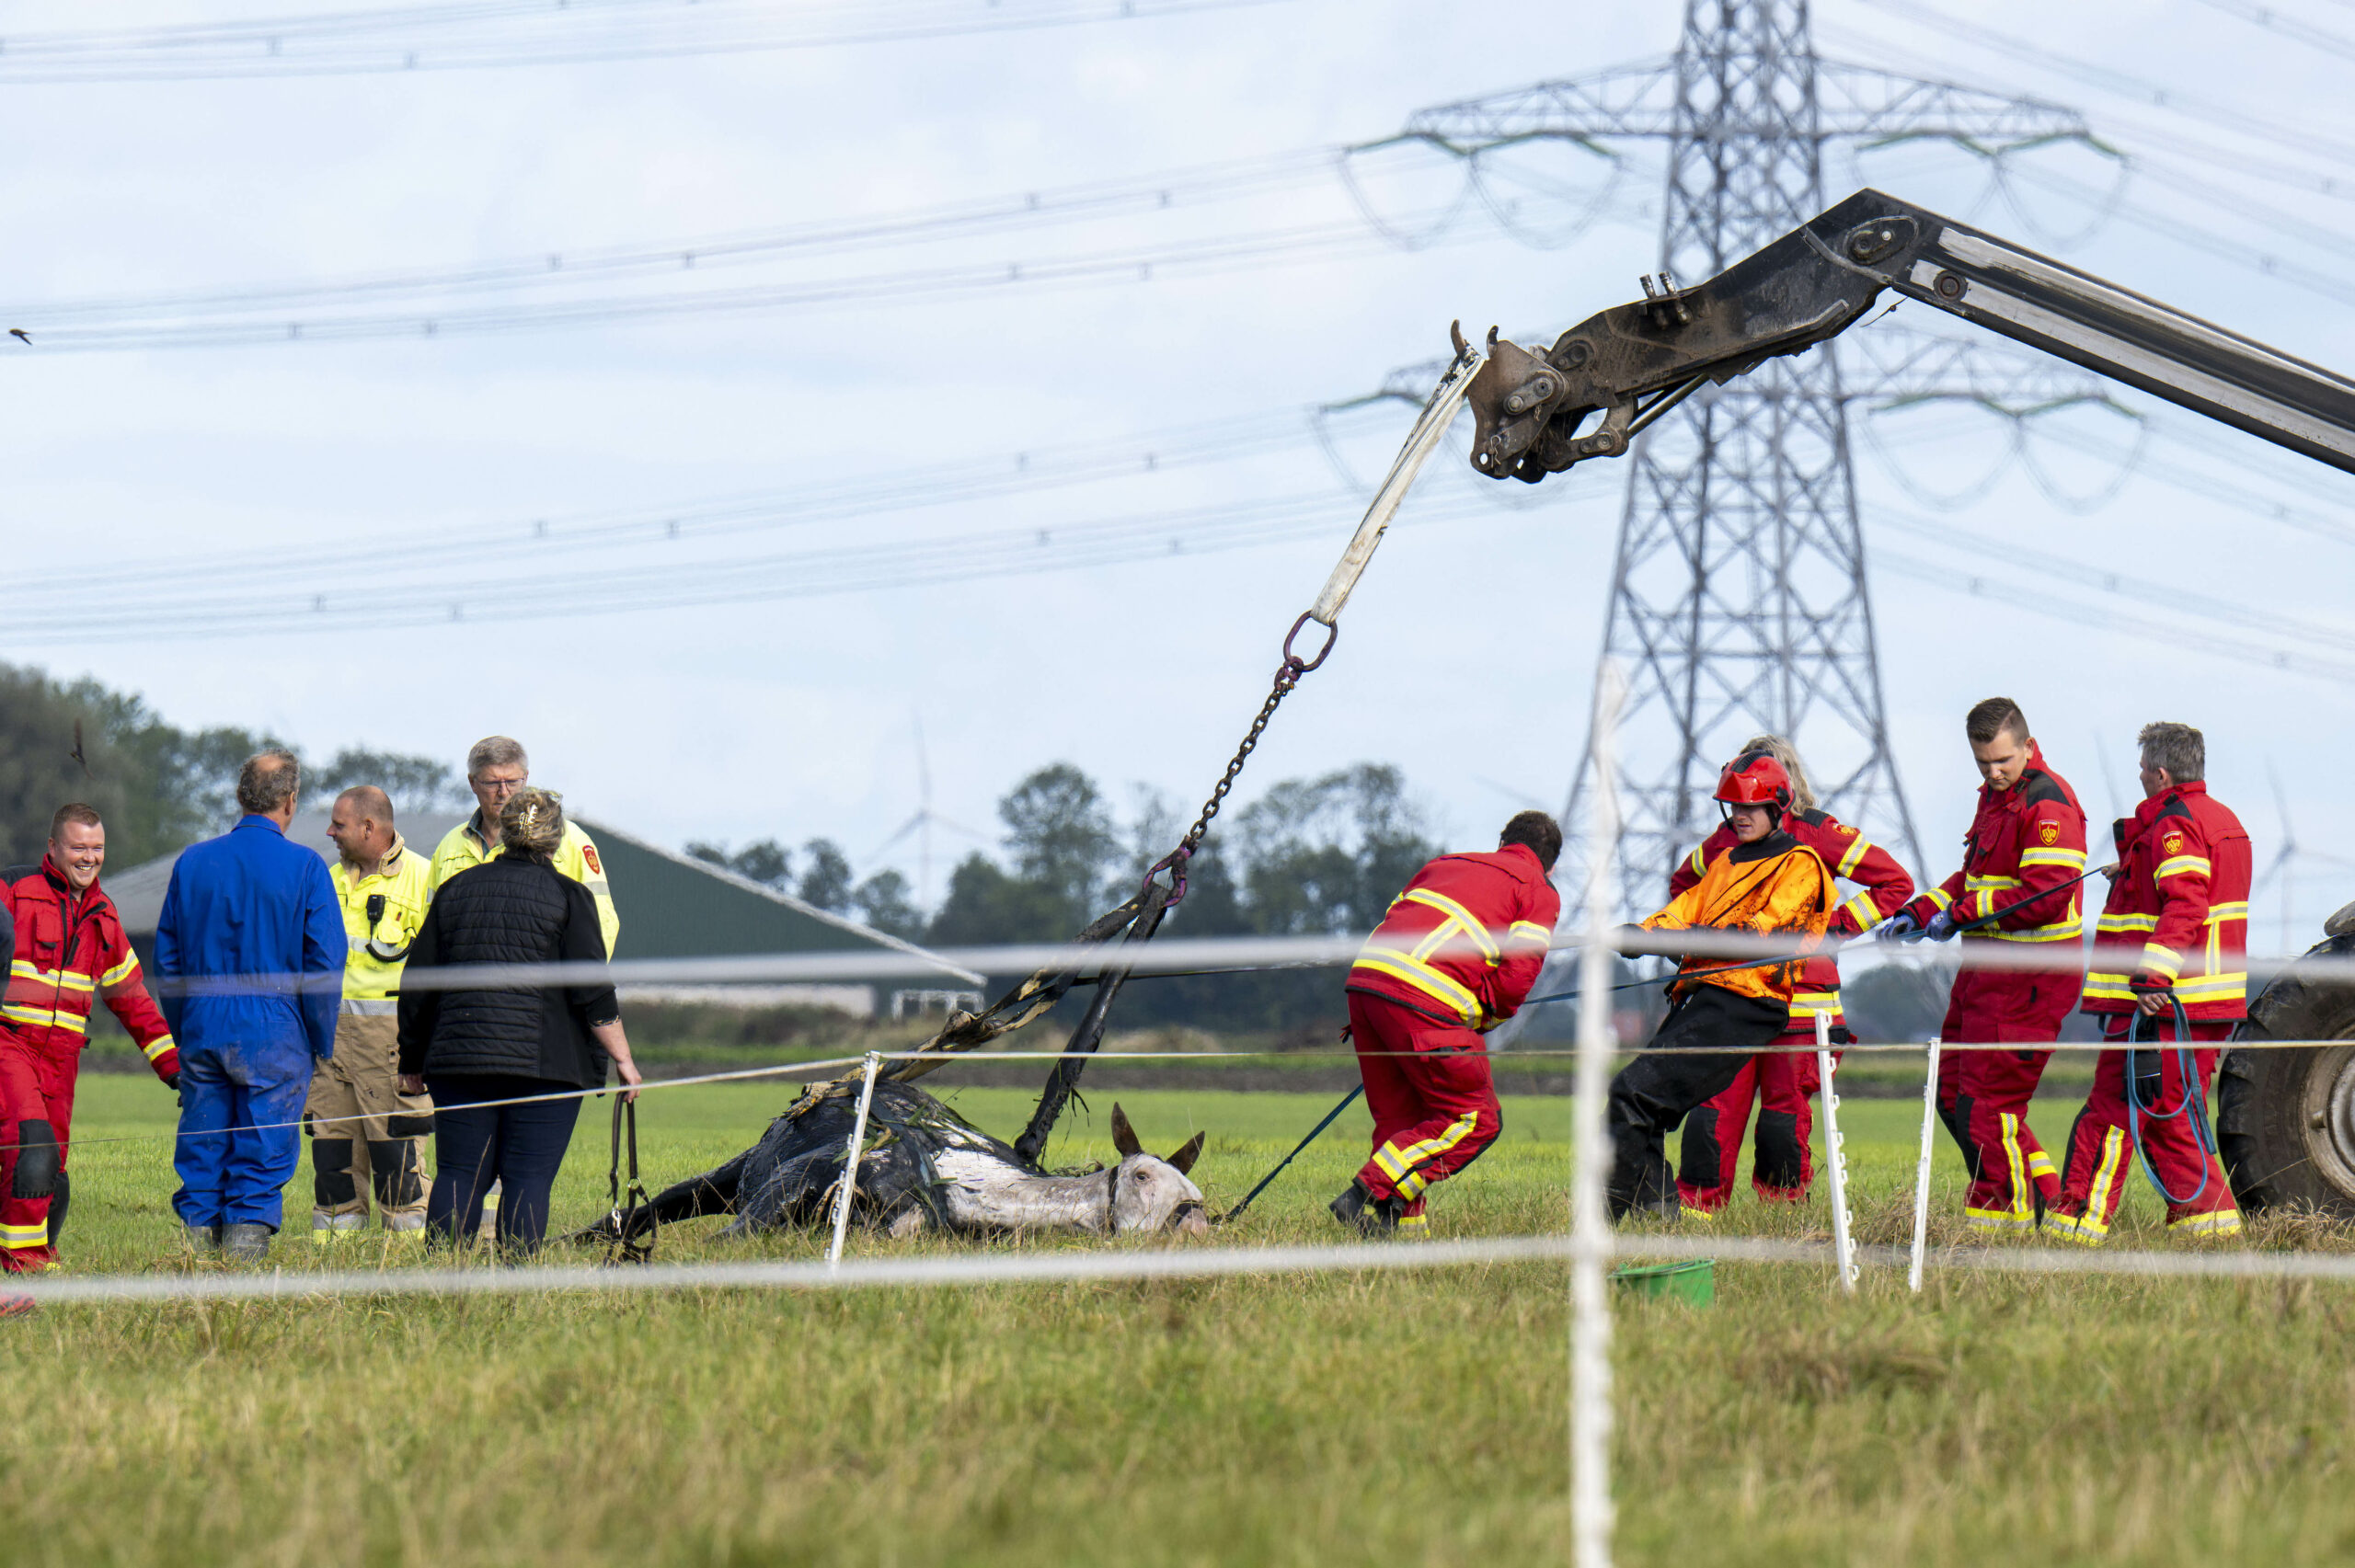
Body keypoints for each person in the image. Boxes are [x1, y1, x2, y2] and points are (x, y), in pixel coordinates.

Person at [1666, 738, 1915, 1214]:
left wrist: (1832, 927)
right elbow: (1683, 886)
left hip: (1801, 1006)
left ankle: (1782, 1218)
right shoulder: (1724, 841)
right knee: (1711, 1113)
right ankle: (1696, 1212)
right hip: (1731, 999)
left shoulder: (1820, 834)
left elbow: (1894, 883)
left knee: (1783, 1121)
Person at [398, 787, 642, 1254]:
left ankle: (439, 1274)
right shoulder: (571, 897)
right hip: (545, 1065)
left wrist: (412, 1057)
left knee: (459, 1173)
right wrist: (623, 1060)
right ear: (556, 841)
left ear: (504, 834)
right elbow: (591, 988)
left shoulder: (455, 890)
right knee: (527, 1176)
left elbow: (419, 984)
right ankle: (516, 1280)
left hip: (459, 1060)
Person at [1879, 697, 2089, 1231]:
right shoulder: (1997, 800)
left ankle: (2004, 1224)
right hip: (1985, 972)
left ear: (2027, 745)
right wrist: (1919, 911)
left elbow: (2042, 896)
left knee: (1986, 1104)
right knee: (1953, 1093)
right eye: (1982, 764)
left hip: (2030, 977)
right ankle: (2042, 1197)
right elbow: (1973, 876)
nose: (1993, 773)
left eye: (2003, 761)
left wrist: (1960, 914)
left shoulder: (2049, 803)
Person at [1608, 753, 1834, 1222]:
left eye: (1751, 806)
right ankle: (1659, 1214)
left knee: (1633, 1096)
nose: (1740, 816)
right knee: (1635, 1100)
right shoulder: (1727, 861)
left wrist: (1683, 940)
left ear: (1778, 807)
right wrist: (1643, 934)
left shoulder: (1802, 865)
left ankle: (1604, 1219)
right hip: (1706, 997)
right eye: (1733, 806)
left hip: (1747, 1004)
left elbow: (1760, 933)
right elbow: (1688, 908)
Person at [2049, 723, 2248, 1243]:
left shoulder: (2173, 825)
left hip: (2162, 1004)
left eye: (2142, 769)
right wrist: (2134, 870)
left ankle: (2077, 1224)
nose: (2138, 777)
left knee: (2118, 1108)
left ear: (2159, 773)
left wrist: (2154, 975)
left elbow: (2186, 902)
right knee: (2169, 1112)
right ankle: (2210, 1229)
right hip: (2202, 1005)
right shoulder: (2223, 821)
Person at [1332, 810, 1562, 1236]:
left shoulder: (1444, 864)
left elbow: (1396, 918)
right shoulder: (1539, 889)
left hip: (1365, 988)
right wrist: (1483, 1018)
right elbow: (1517, 976)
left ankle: (1399, 1229)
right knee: (1474, 1118)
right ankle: (1363, 1194)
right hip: (1425, 999)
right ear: (1550, 864)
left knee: (1401, 1119)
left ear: (1502, 841)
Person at [156, 751, 346, 1263]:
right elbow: (325, 965)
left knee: (204, 1135)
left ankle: (195, 1251)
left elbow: (168, 961)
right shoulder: (307, 867)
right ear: (291, 800)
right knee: (263, 1143)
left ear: (241, 798)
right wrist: (319, 1040)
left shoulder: (192, 862)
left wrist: (183, 1032)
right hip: (276, 1026)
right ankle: (245, 1254)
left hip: (201, 1021)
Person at [0, 805, 183, 1271]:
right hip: (12, 1045)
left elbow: (133, 1000)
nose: (88, 857)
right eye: (78, 847)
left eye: (97, 848)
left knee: (53, 1174)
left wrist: (174, 1068)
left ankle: (39, 1255)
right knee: (31, 1151)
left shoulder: (104, 915)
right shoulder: (13, 892)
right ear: (53, 848)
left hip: (62, 1061)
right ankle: (23, 1267)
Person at [307, 785, 436, 1237]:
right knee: (332, 1157)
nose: (329, 832)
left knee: (397, 1157)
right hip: (329, 1042)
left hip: (391, 1043)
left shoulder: (425, 877)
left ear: (369, 827)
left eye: (338, 825)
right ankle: (333, 1257)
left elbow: (437, 971)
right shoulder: (325, 877)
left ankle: (404, 1259)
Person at [429, 735, 619, 958]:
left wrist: (580, 982)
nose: (503, 792)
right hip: (466, 984)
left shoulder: (572, 840)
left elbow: (602, 921)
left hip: (543, 985)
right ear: (472, 782)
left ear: (526, 778)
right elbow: (430, 924)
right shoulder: (449, 845)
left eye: (511, 782)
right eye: (492, 783)